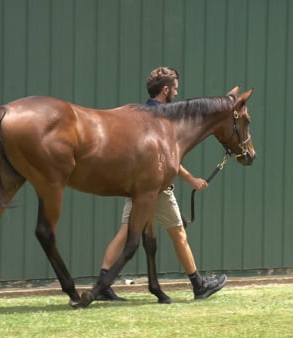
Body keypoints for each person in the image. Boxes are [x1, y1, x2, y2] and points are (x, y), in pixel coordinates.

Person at [96, 66, 228, 301]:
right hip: (158, 188)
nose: (177, 93)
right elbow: (168, 160)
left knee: (125, 232)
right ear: (165, 90)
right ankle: (199, 285)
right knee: (178, 234)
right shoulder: (164, 118)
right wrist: (192, 180)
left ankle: (103, 282)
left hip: (138, 186)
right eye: (175, 89)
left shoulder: (143, 113)